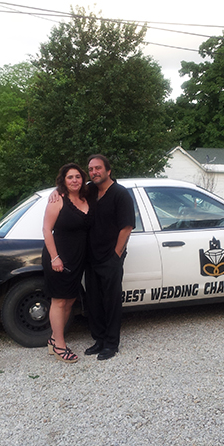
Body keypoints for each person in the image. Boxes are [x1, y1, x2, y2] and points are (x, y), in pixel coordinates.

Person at [83, 154, 135, 360]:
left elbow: (127, 226)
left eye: (98, 168)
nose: (94, 172)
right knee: (94, 301)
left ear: (108, 170)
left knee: (111, 301)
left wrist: (116, 254)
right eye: (91, 169)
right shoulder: (90, 191)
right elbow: (69, 192)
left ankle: (111, 344)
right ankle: (99, 340)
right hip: (90, 256)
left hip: (110, 257)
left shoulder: (120, 194)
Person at [41, 163, 91, 363]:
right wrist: (55, 257)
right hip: (58, 258)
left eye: (78, 177)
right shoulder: (57, 200)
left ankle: (54, 339)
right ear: (63, 180)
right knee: (59, 300)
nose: (74, 180)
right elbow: (46, 230)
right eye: (70, 177)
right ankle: (60, 346)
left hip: (77, 258)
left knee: (70, 299)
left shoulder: (87, 198)